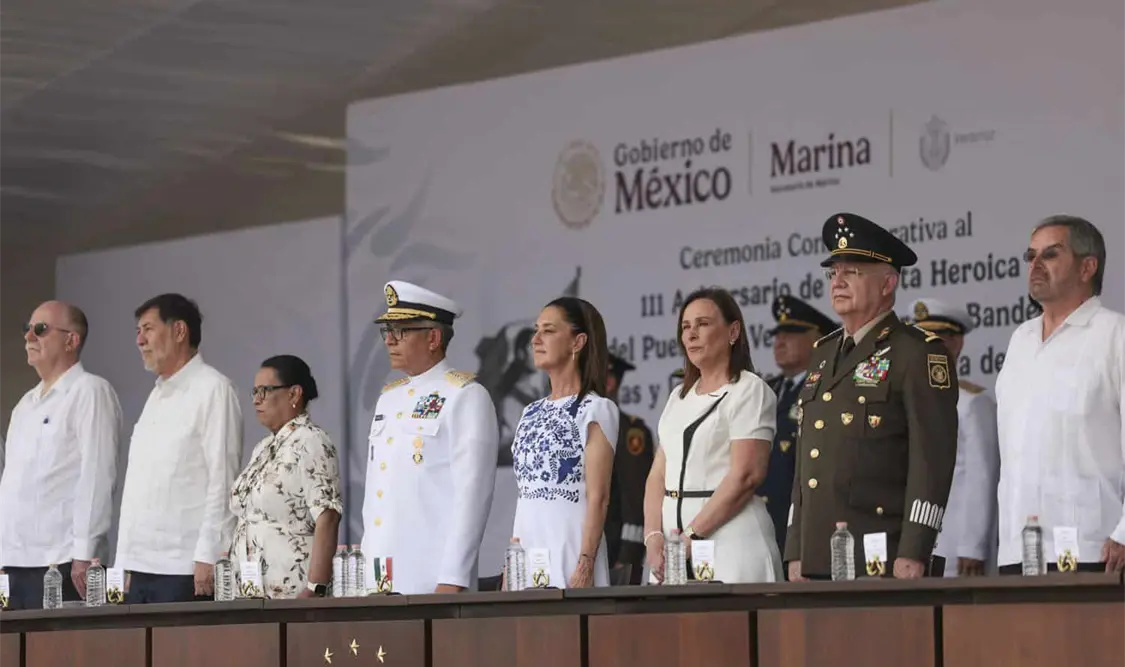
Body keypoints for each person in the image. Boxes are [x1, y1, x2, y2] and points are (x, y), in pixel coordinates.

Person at [785, 213, 959, 581]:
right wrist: (796, 547)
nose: (839, 281)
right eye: (833, 272)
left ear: (888, 283)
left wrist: (915, 550)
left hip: (880, 556)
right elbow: (807, 463)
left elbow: (932, 462)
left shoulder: (918, 353)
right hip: (817, 555)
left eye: (854, 272)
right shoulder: (822, 352)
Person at [995, 215, 1125, 574]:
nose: (1035, 265)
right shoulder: (1020, 340)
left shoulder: (1115, 334)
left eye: (1050, 255)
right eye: (1030, 255)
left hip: (1093, 548)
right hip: (1017, 551)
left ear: (1087, 267)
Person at [362, 281, 499, 594]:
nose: (390, 340)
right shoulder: (389, 399)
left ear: (433, 337)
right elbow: (376, 499)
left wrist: (453, 578)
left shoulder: (465, 395)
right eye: (387, 331)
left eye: (402, 331)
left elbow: (472, 497)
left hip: (430, 579)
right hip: (380, 576)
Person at [644, 287, 783, 584]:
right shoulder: (677, 397)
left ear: (733, 331)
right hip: (673, 552)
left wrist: (692, 536)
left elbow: (746, 475)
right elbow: (658, 475)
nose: (691, 334)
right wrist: (653, 536)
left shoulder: (749, 390)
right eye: (685, 327)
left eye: (703, 324)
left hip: (730, 543)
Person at [115, 294, 243, 603]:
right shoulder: (156, 395)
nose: (139, 340)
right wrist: (122, 562)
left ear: (179, 331)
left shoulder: (213, 389)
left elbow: (223, 480)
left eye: (147, 329)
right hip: (139, 566)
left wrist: (209, 554)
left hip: (185, 567)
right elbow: (138, 488)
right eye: (137, 332)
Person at [0, 301, 122, 609]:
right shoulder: (24, 406)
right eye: (26, 329)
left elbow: (98, 474)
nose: (29, 336)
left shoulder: (90, 390)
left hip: (64, 562)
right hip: (15, 563)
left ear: (71, 340)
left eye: (40, 329)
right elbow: (11, 487)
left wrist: (85, 552)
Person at [509, 298, 618, 589]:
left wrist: (585, 564)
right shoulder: (530, 412)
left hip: (570, 551)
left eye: (548, 330)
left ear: (578, 342)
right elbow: (524, 496)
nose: (536, 339)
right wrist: (512, 565)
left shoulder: (596, 409)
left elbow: (599, 497)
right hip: (529, 555)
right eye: (536, 330)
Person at [229, 355, 342, 598]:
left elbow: (328, 516)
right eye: (254, 391)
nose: (256, 399)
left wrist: (315, 588)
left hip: (292, 593)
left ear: (294, 394)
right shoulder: (262, 448)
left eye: (265, 390)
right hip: (252, 593)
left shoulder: (311, 441)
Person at [908, 298, 1000, 577]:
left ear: (956, 343)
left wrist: (973, 546)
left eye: (935, 340)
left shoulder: (972, 403)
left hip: (953, 547)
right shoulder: (903, 403)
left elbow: (981, 478)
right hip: (909, 548)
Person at [760, 295, 837, 559]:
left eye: (791, 333)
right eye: (777, 335)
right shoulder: (767, 390)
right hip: (763, 525)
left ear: (818, 339)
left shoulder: (828, 390)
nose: (780, 342)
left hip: (804, 526)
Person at [604, 353, 654, 585]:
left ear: (609, 382)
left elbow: (635, 499)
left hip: (613, 554)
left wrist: (627, 557)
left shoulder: (629, 432)